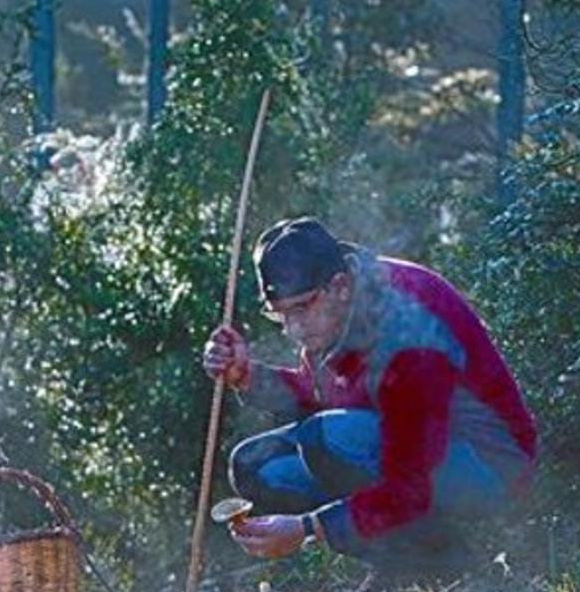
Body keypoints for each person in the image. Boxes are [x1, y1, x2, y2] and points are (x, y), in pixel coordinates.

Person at [201, 217, 536, 570]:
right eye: (280, 314)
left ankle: (438, 562)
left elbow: (410, 482)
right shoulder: (333, 308)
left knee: (323, 438)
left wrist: (309, 527)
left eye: (301, 308)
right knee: (254, 464)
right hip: (410, 447)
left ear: (340, 286)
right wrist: (247, 376)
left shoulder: (408, 330)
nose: (293, 328)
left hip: (488, 463)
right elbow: (323, 395)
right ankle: (399, 560)